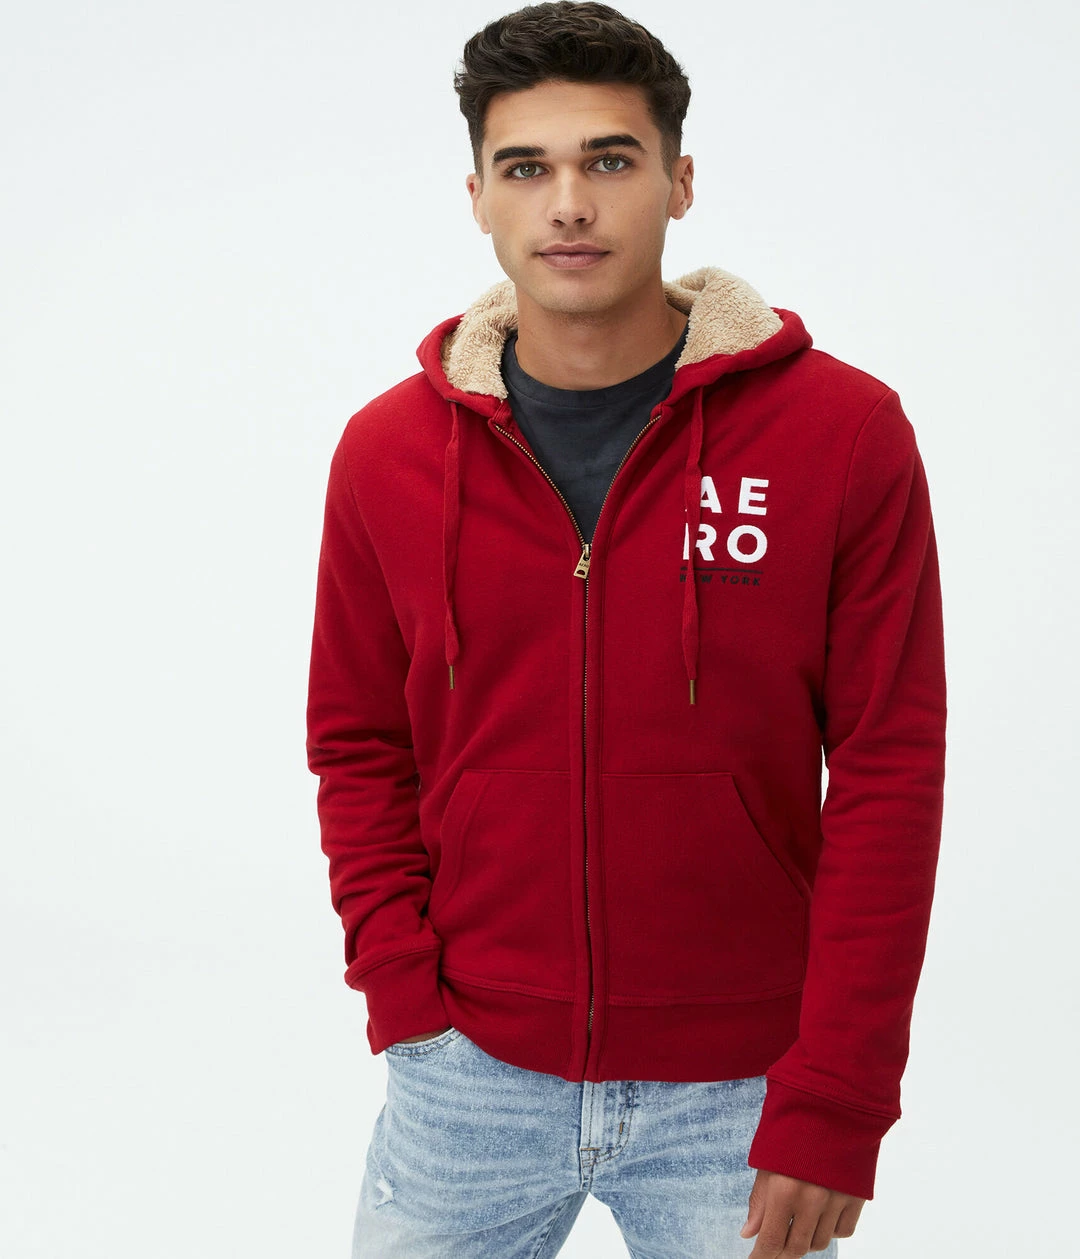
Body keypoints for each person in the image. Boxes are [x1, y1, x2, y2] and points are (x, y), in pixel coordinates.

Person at [305, 3, 947, 1255]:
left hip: (746, 1086)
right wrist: (403, 992)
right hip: (468, 1074)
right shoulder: (388, 453)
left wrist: (838, 1095)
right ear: (478, 197)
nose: (568, 204)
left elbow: (890, 770)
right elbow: (357, 742)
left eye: (609, 159)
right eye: (525, 167)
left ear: (679, 182)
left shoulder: (842, 436)